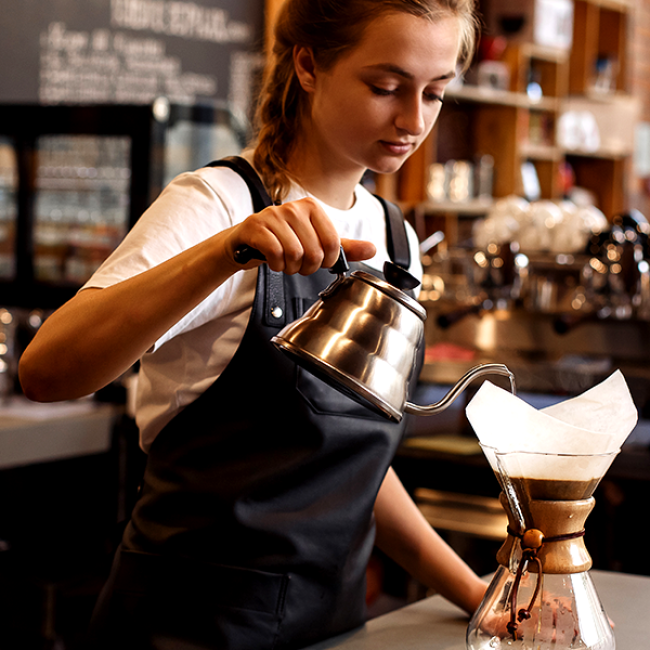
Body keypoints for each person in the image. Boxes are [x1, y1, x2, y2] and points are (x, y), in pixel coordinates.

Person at [19, 1, 487, 648]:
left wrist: (475, 592)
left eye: (435, 93)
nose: (412, 120)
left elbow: (350, 465)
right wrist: (227, 251)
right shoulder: (217, 204)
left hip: (331, 627)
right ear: (307, 65)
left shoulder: (394, 238)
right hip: (187, 627)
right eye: (385, 87)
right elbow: (46, 370)